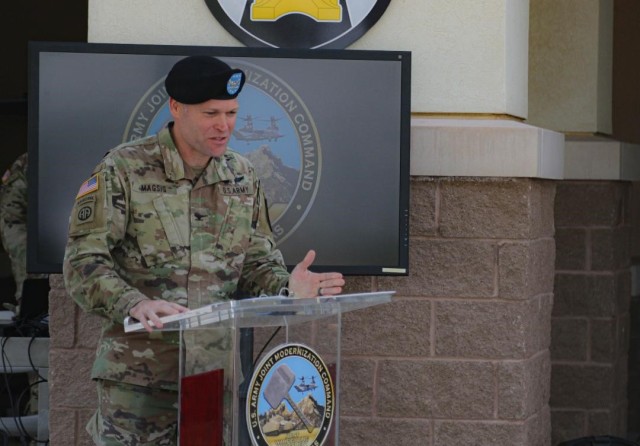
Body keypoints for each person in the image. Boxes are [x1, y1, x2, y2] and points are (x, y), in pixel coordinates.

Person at [63, 55, 345, 445]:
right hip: (140, 382)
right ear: (176, 108)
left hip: (215, 379)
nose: (224, 125)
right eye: (211, 112)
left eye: (231, 112)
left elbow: (256, 262)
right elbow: (83, 262)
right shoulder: (123, 169)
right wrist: (132, 302)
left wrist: (286, 288)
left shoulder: (242, 174)